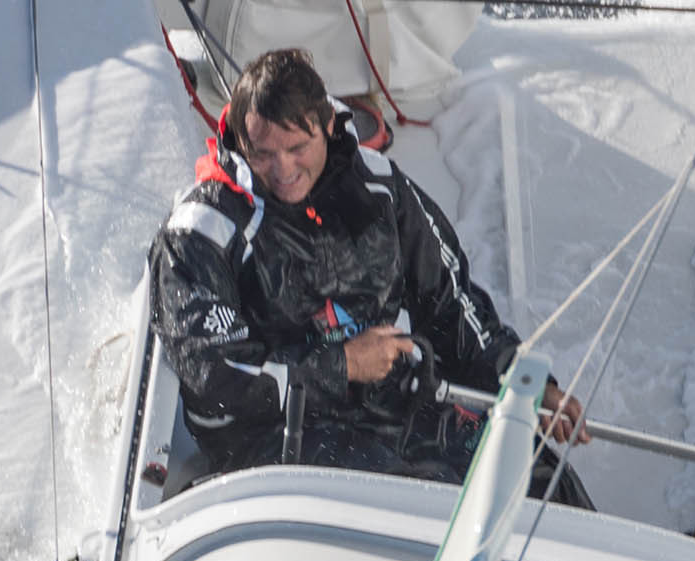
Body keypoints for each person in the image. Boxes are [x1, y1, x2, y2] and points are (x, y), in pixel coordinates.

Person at [150, 47, 590, 496]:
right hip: (276, 439)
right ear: (240, 142)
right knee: (418, 499)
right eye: (263, 154)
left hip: (394, 410)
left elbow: (451, 303)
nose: (283, 170)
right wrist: (341, 366)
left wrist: (521, 383)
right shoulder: (200, 233)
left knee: (541, 478)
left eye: (297, 148)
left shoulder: (381, 187)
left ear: (326, 127)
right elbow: (217, 383)